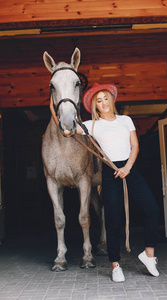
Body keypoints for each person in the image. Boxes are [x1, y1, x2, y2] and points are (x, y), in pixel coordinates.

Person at [50, 83, 160, 282]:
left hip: (130, 169)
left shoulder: (126, 120)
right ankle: (115, 265)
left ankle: (149, 256)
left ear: (112, 100)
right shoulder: (93, 125)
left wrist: (127, 167)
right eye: (98, 101)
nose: (103, 103)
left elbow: (135, 146)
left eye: (105, 98)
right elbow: (69, 130)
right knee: (112, 220)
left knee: (152, 209)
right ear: (96, 106)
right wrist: (57, 114)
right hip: (110, 172)